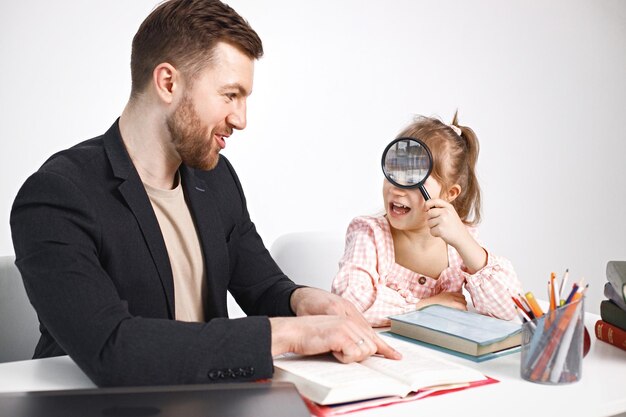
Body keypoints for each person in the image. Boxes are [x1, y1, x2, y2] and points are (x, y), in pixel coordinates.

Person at [10, 0, 399, 387]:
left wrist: (302, 301)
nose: (241, 119)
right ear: (168, 83)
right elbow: (112, 349)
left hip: (209, 398)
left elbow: (262, 285)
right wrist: (291, 335)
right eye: (230, 95)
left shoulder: (215, 178)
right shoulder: (56, 196)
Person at [331, 114, 522, 327]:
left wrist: (463, 241)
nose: (397, 187)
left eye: (413, 179)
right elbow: (349, 304)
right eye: (393, 172)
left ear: (450, 193)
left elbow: (509, 308)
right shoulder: (369, 234)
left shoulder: (459, 244)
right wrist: (424, 306)